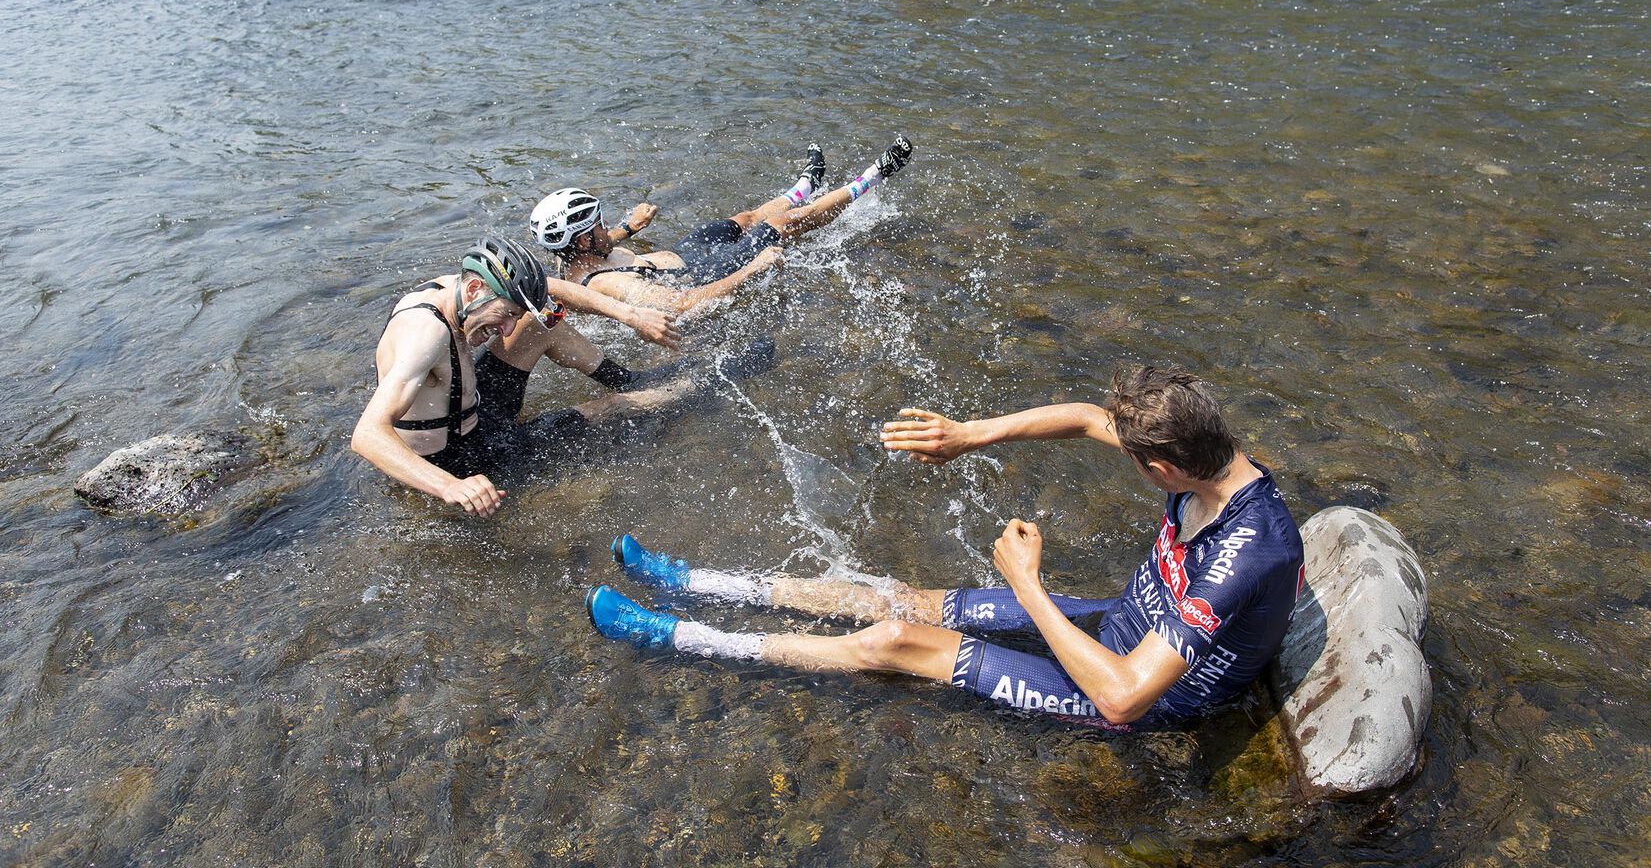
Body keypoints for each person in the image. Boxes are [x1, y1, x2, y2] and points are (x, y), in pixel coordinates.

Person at [584, 366, 1306, 731]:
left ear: (1164, 471)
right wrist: (970, 434)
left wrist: (1026, 583)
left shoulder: (1247, 551)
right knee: (900, 599)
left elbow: (1121, 697)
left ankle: (679, 633)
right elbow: (1089, 419)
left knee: (896, 641)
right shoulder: (1204, 455)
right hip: (1114, 622)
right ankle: (696, 580)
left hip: (1145, 693)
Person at [351, 236, 702, 517]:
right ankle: (696, 387)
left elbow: (549, 289)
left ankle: (628, 379)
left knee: (538, 322)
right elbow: (367, 435)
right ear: (475, 290)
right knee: (610, 408)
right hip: (454, 461)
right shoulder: (424, 334)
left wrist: (631, 315)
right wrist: (450, 487)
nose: (506, 329)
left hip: (472, 414)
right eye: (505, 314)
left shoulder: (450, 289)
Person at [531, 136, 913, 316]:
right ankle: (873, 176)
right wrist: (752, 269)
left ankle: (805, 185)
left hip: (682, 253)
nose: (605, 228)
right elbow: (680, 305)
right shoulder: (606, 284)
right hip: (701, 273)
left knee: (744, 218)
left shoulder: (576, 258)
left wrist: (628, 230)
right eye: (599, 227)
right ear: (581, 239)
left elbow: (606, 249)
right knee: (784, 224)